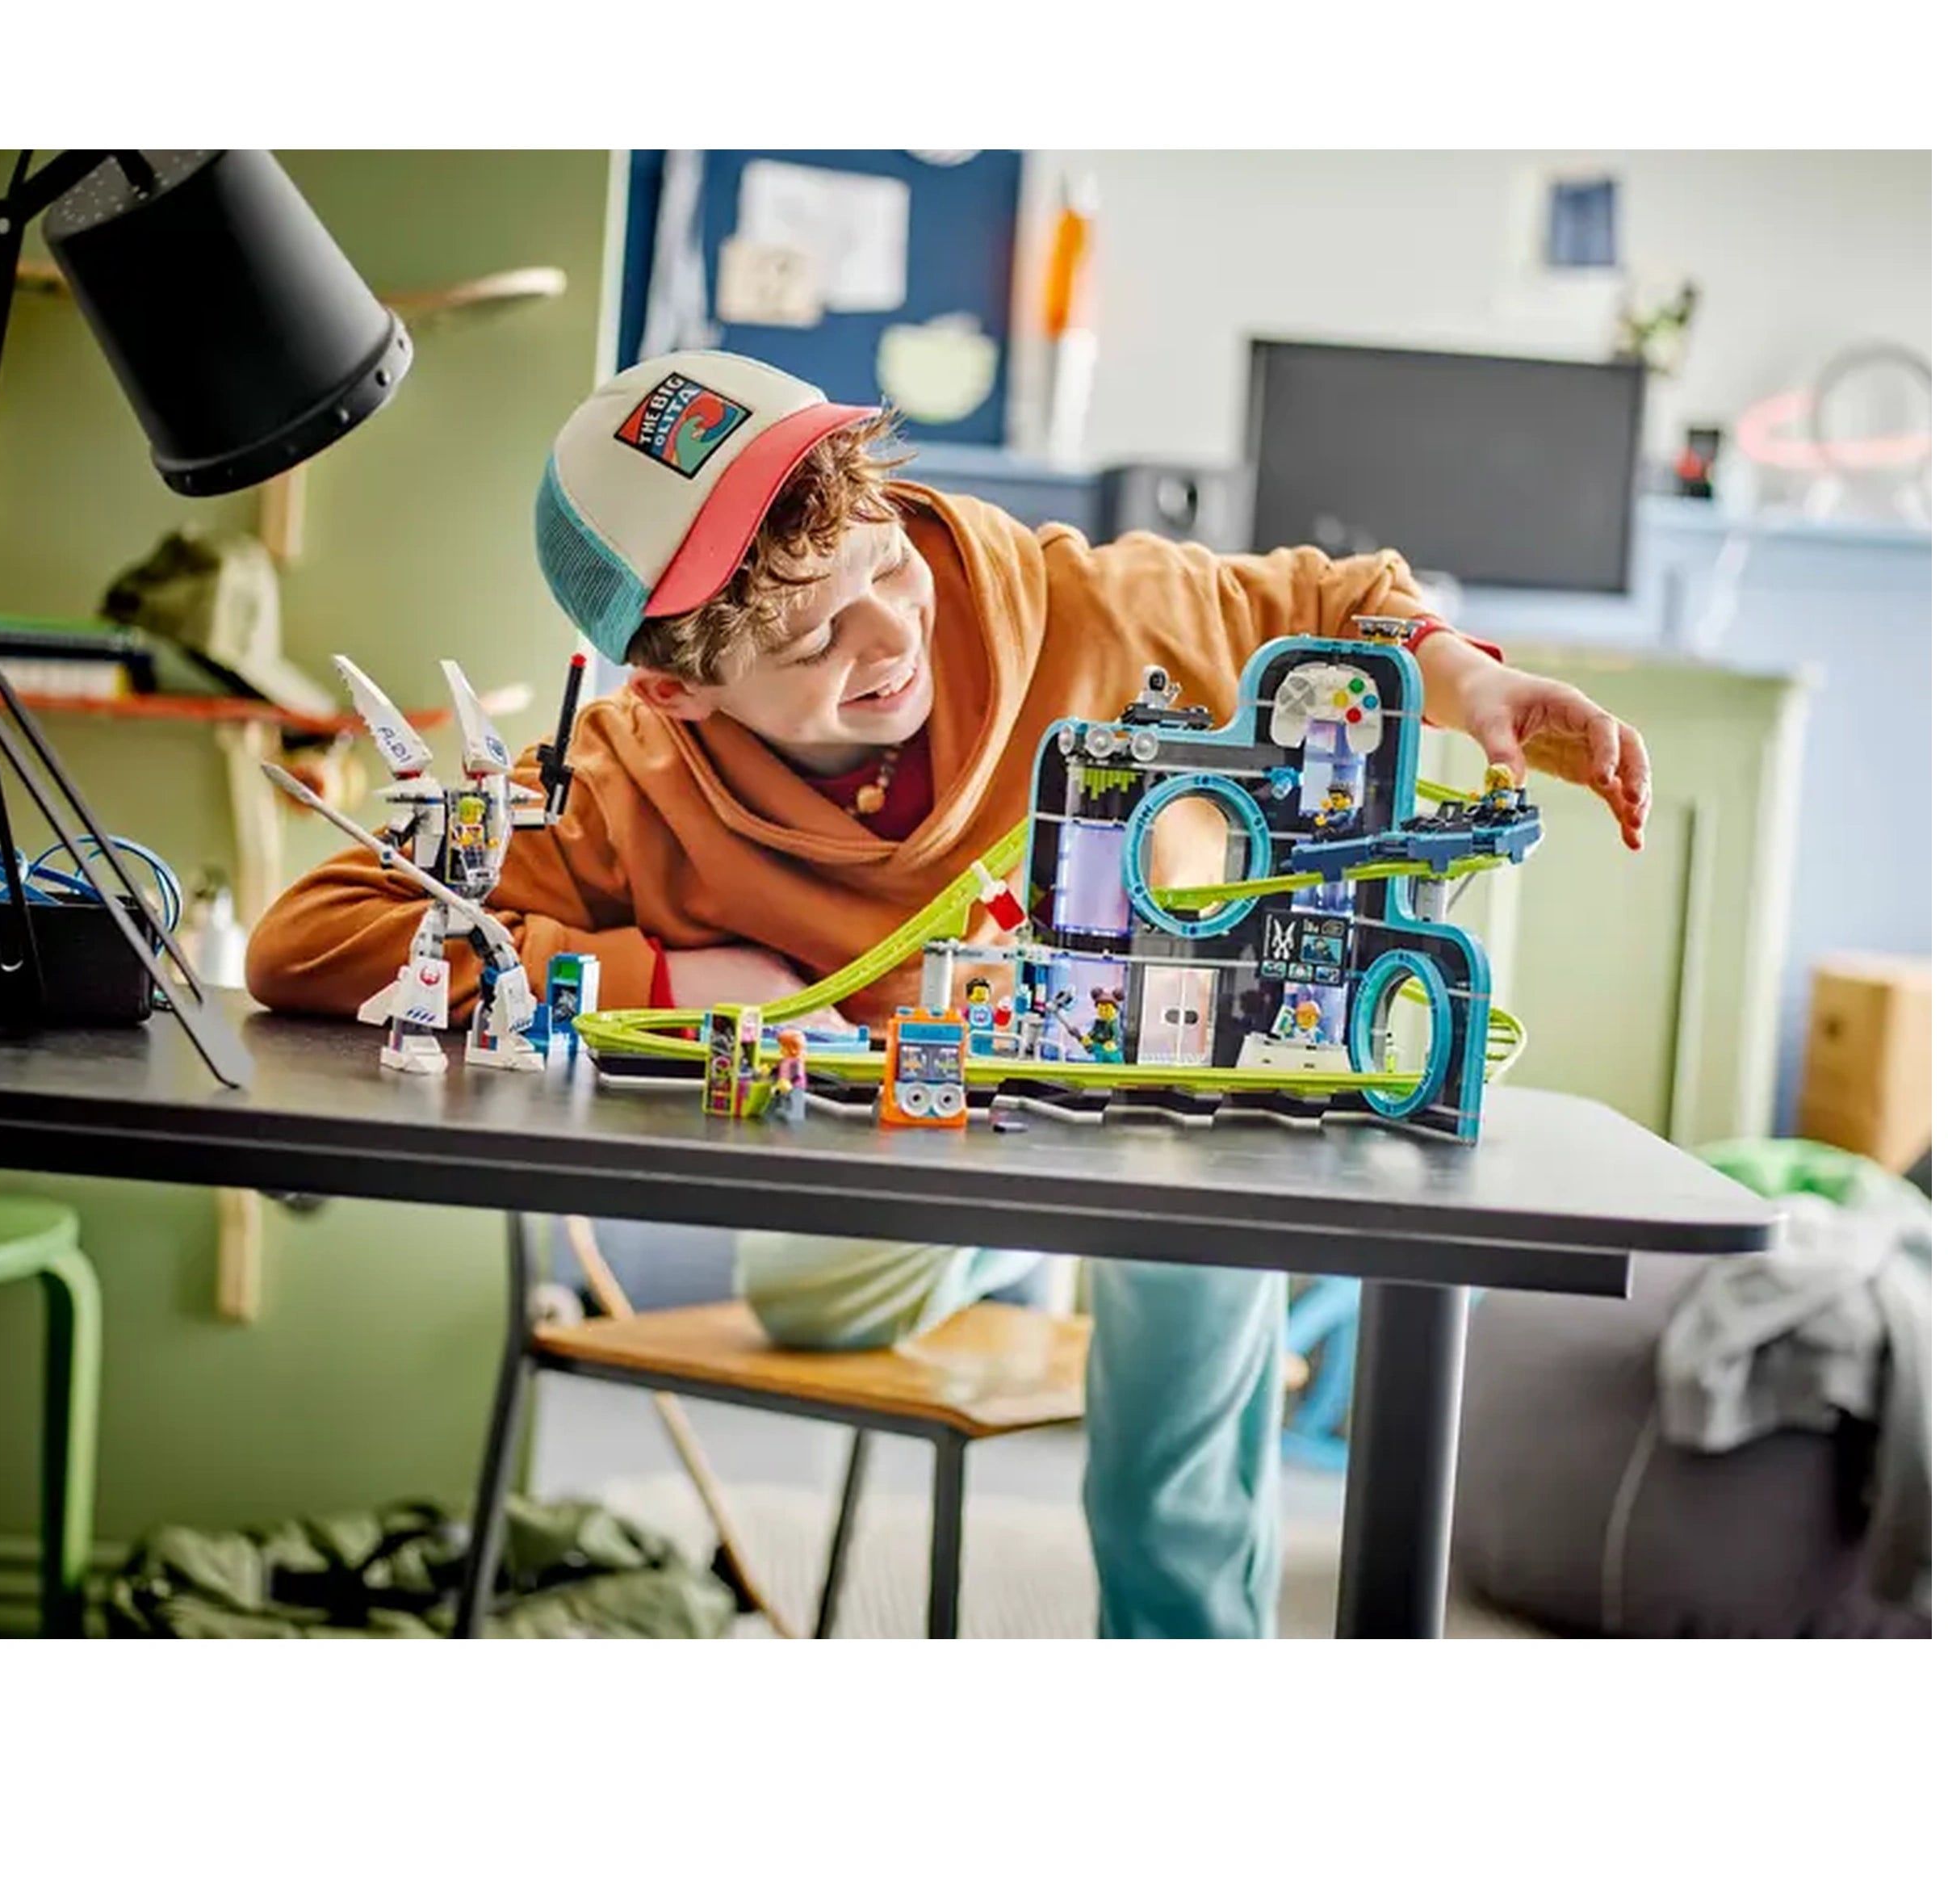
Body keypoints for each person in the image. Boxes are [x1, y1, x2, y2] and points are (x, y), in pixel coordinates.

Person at [248, 350, 1651, 1637]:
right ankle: (1004, 1237)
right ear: (681, 696)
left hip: (1133, 1112)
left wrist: (1463, 672)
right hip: (890, 1139)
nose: (885, 639)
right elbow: (310, 936)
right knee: (810, 1298)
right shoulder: (627, 777)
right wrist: (670, 975)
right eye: (808, 644)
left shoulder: (1083, 609)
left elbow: (1344, 603)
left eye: (885, 567)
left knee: (1184, 1303)